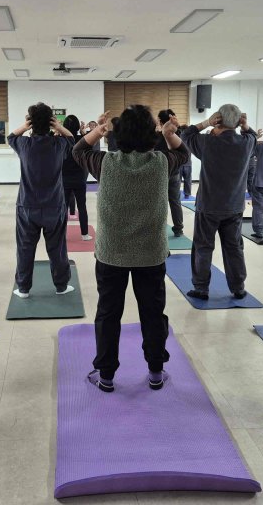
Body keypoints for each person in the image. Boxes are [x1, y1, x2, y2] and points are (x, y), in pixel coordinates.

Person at [73, 105, 190, 393]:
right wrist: (168, 133)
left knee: (108, 313)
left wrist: (97, 131)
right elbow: (184, 154)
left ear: (118, 133)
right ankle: (155, 371)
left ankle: (106, 376)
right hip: (150, 253)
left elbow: (77, 151)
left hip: (112, 253)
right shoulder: (161, 162)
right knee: (152, 313)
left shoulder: (106, 163)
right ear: (151, 133)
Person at [182, 104, 257, 300]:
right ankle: (238, 287)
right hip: (234, 206)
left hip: (208, 205)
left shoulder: (208, 143)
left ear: (218, 120)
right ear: (238, 121)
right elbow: (252, 137)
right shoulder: (245, 143)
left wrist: (206, 123)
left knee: (203, 246)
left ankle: (201, 288)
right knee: (234, 247)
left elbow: (186, 134)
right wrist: (245, 126)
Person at [8, 102, 75, 298]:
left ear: (31, 122)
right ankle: (61, 286)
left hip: (27, 206)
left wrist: (26, 125)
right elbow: (71, 138)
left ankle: (23, 288)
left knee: (25, 248)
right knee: (57, 248)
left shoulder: (23, 144)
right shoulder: (59, 144)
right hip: (54, 205)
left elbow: (11, 136)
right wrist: (58, 127)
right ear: (51, 122)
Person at [61, 115, 91, 240]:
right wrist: (83, 132)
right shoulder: (82, 140)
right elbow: (90, 146)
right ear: (78, 126)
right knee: (82, 206)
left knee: (63, 208)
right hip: (79, 178)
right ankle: (84, 234)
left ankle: (61, 235)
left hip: (64, 179)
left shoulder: (61, 140)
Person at [156, 109, 184, 237]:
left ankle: (159, 229)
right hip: (175, 172)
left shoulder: (156, 136)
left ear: (160, 122)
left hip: (160, 173)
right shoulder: (178, 133)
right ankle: (178, 228)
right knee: (175, 201)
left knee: (158, 202)